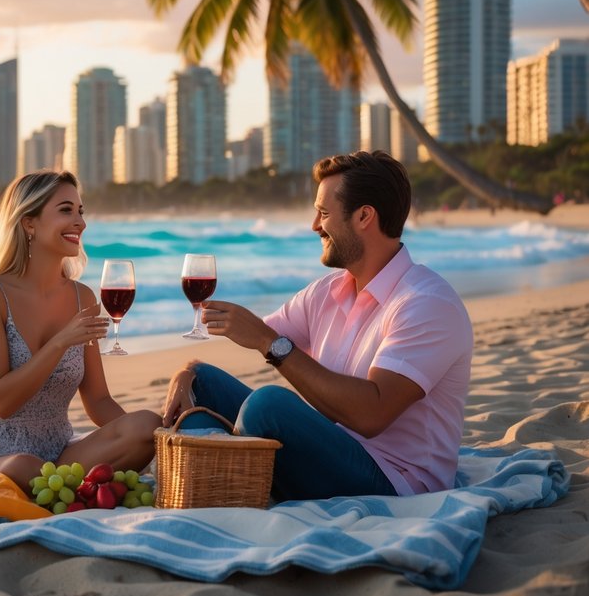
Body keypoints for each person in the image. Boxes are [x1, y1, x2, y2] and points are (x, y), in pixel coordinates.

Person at [161, 150, 473, 501]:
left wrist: (270, 343)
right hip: (330, 448)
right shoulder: (327, 291)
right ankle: (221, 476)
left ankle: (228, 476)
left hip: (395, 481)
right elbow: (260, 335)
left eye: (323, 214)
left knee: (267, 407)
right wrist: (187, 372)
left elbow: (372, 414)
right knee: (202, 385)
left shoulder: (427, 303)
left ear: (364, 217)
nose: (314, 225)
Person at [0, 170, 160, 487]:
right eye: (66, 210)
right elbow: (2, 402)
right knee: (26, 467)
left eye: (80, 211)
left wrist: (148, 440)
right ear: (28, 222)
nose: (80, 222)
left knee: (148, 425)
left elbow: (99, 401)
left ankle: (68, 487)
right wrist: (60, 342)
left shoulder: (83, 297)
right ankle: (72, 488)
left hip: (61, 456)